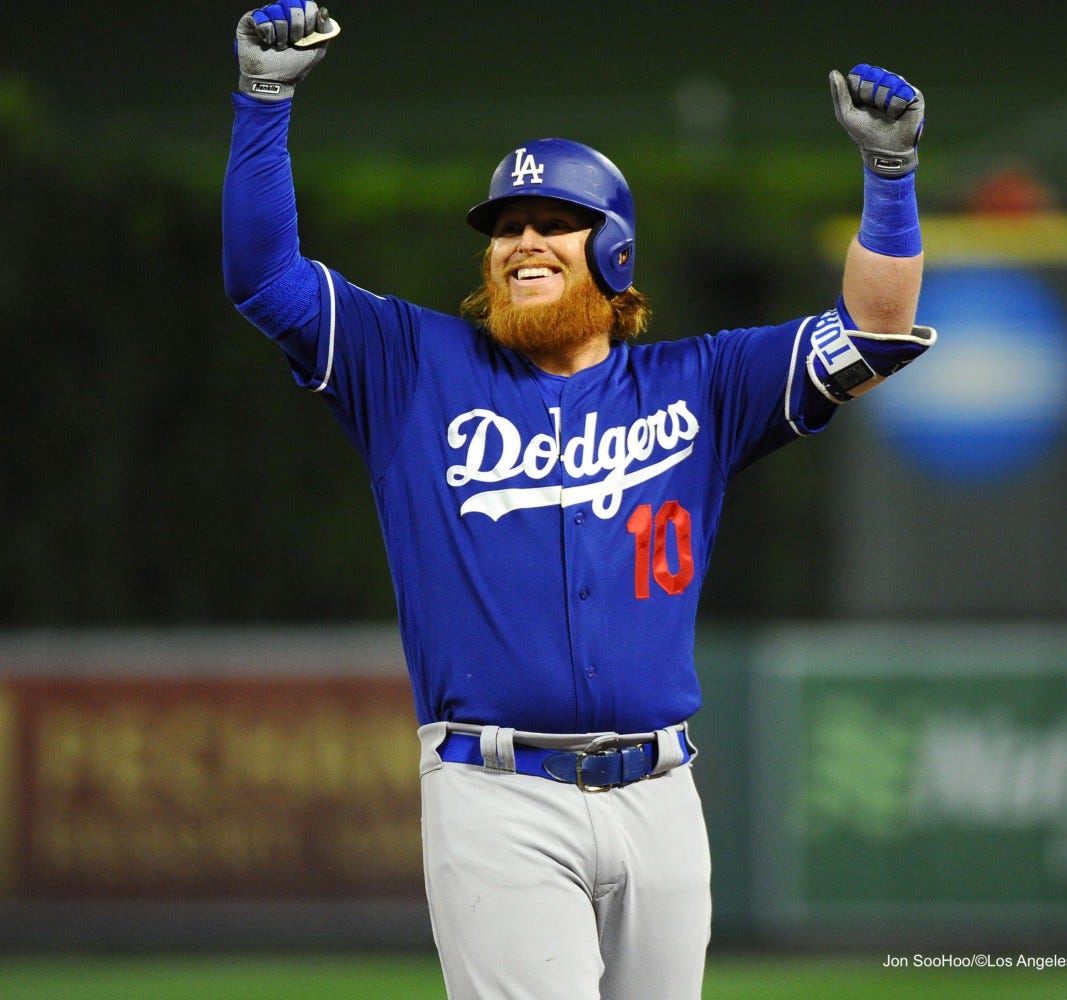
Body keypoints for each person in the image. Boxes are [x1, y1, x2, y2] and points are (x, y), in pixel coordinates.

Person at [223, 4, 935, 998]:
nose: (521, 240)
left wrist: (890, 177)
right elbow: (264, 278)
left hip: (661, 795)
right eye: (505, 227)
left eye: (552, 223)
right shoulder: (411, 365)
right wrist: (262, 101)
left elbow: (873, 329)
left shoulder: (701, 383)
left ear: (614, 253)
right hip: (497, 794)